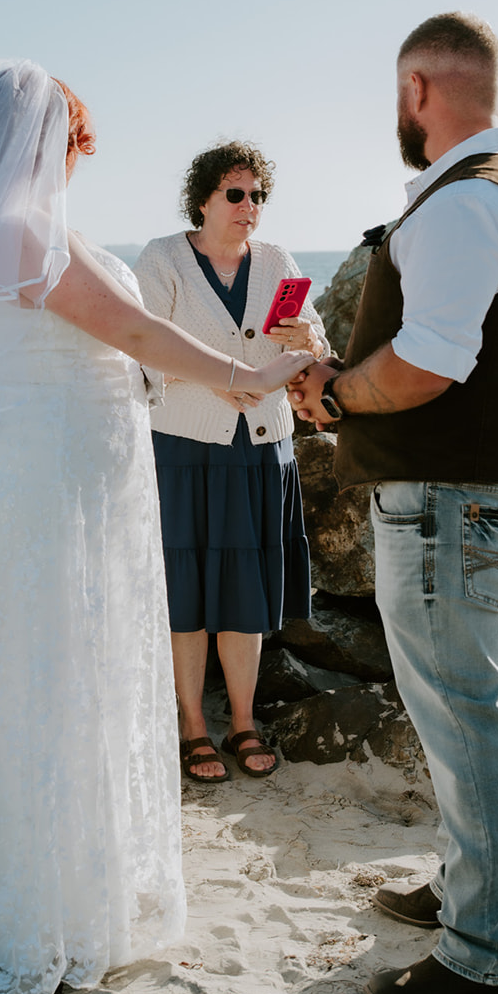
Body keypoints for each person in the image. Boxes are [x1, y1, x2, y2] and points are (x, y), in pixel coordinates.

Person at [0, 65, 311, 994]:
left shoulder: (4, 229)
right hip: (59, 476)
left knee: (63, 673)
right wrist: (247, 375)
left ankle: (60, 884)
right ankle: (55, 911)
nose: (84, 151)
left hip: (73, 468)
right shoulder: (20, 231)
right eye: (74, 134)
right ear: (45, 139)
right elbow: (133, 330)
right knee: (57, 678)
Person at [289, 12, 498, 994]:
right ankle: (463, 888)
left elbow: (431, 363)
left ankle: (487, 948)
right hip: (463, 501)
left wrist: (335, 390)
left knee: (465, 713)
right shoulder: (496, 191)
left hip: (449, 506)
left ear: (419, 92)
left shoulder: (459, 205)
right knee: (455, 711)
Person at [133, 143, 328, 782]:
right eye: (236, 195)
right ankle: (193, 724)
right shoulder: (162, 258)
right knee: (184, 594)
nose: (250, 208)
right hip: (183, 447)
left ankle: (242, 721)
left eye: (258, 196)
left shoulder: (277, 261)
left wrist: (307, 340)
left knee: (243, 596)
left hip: (262, 447)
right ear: (205, 199)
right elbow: (140, 353)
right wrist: (217, 378)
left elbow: (312, 343)